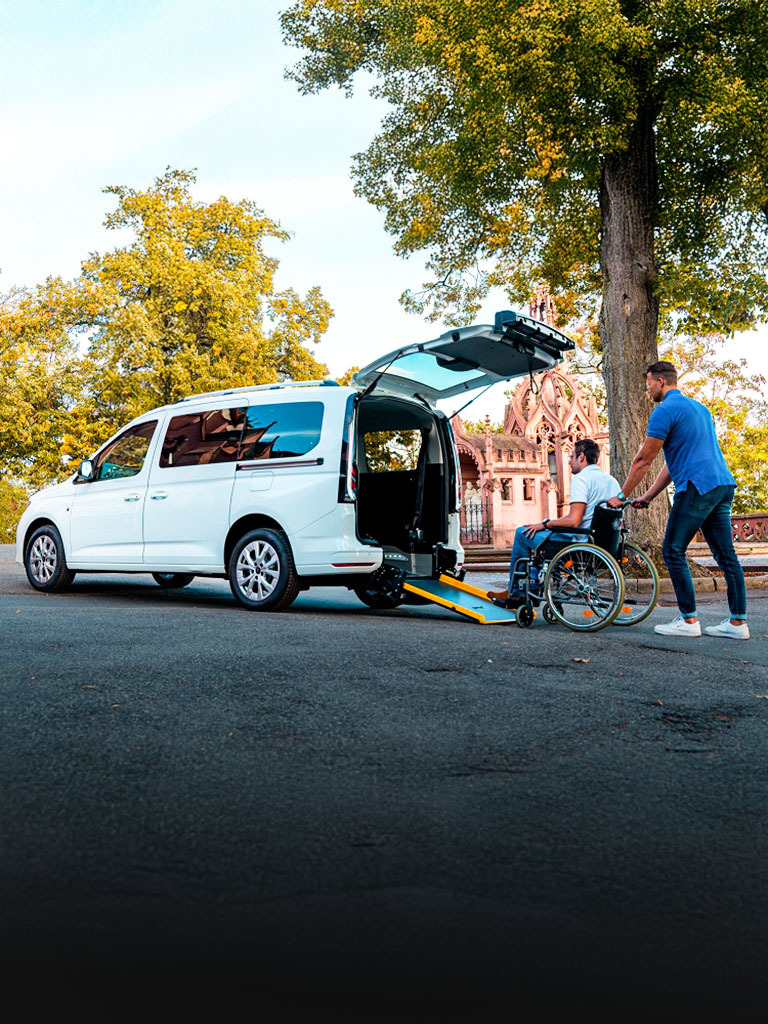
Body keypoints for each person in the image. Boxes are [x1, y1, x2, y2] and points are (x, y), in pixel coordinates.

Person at [606, 360, 748, 640]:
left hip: (697, 487)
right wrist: (647, 496)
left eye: (648, 385)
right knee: (726, 556)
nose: (647, 391)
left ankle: (688, 619)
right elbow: (672, 464)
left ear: (660, 381)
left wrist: (621, 495)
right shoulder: (700, 409)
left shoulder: (664, 411)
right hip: (722, 485)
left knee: (672, 550)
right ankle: (737, 624)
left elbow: (643, 460)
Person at [488, 438, 620, 607]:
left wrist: (545, 524)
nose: (569, 462)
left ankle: (517, 593)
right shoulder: (612, 481)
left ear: (581, 457)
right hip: (606, 545)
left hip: (580, 542)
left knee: (523, 533)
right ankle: (531, 586)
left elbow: (573, 521)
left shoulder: (582, 480)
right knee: (541, 538)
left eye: (571, 457)